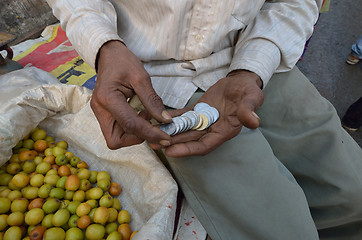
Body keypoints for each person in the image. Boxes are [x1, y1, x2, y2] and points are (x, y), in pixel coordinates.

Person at [46, 0, 362, 239]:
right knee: (284, 230)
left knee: (353, 196)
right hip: (151, 76)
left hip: (257, 53)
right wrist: (104, 45)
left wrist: (253, 66)